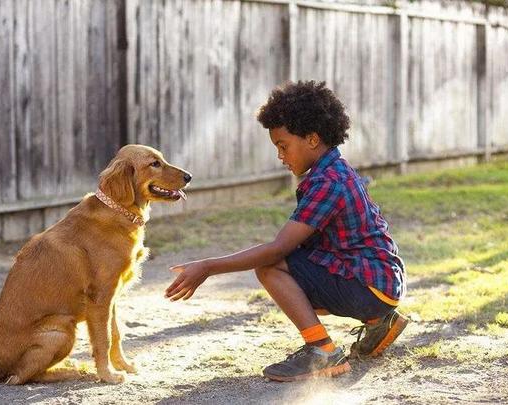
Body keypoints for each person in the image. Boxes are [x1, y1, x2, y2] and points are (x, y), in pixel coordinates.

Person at [165, 80, 407, 382]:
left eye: (283, 146)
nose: (280, 156)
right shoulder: (336, 170)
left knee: (270, 266)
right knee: (296, 258)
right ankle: (379, 320)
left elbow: (279, 249)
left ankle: (321, 351)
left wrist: (208, 267)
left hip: (368, 285)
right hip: (382, 282)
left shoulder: (327, 182)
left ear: (313, 139)